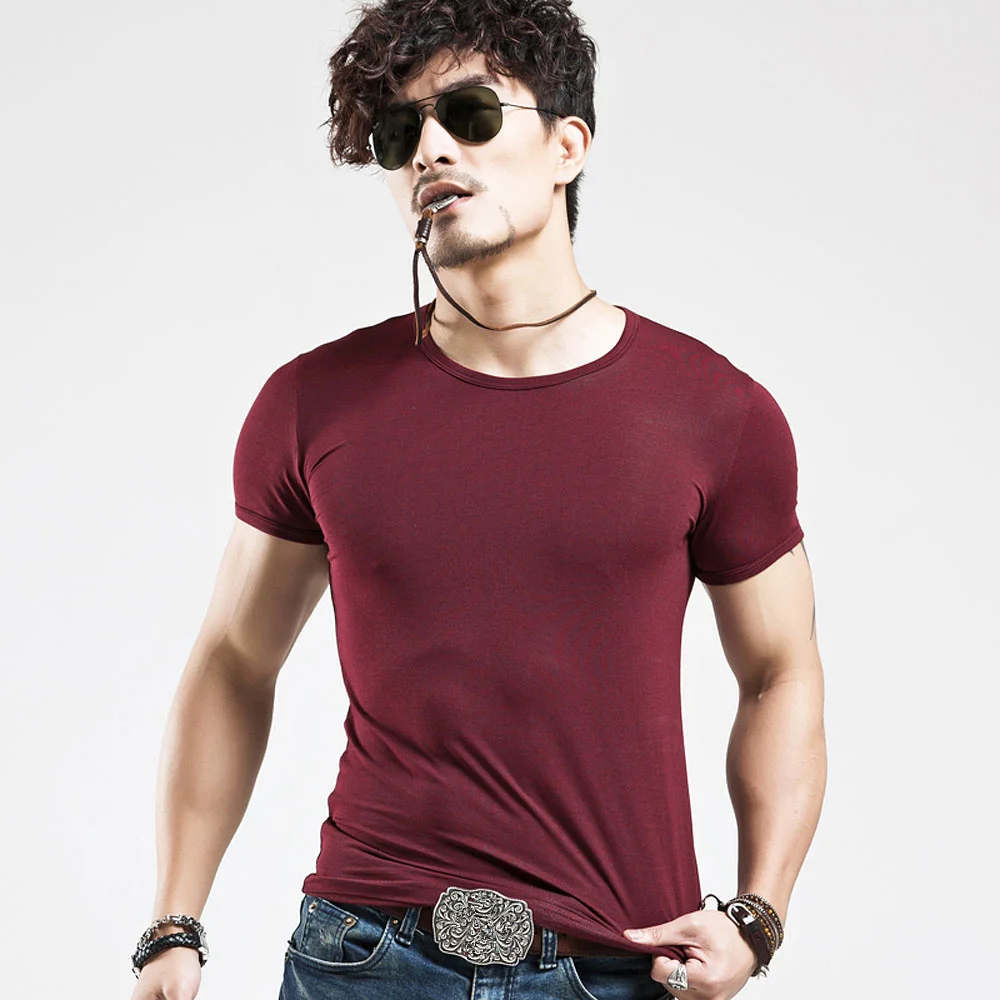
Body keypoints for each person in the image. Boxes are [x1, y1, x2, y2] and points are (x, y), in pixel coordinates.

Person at [129, 2, 827, 999]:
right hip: (364, 958)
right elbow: (235, 659)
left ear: (567, 145)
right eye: (399, 132)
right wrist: (174, 920)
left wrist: (759, 914)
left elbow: (778, 670)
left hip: (619, 967)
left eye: (470, 113)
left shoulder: (715, 412)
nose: (430, 150)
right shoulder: (312, 404)